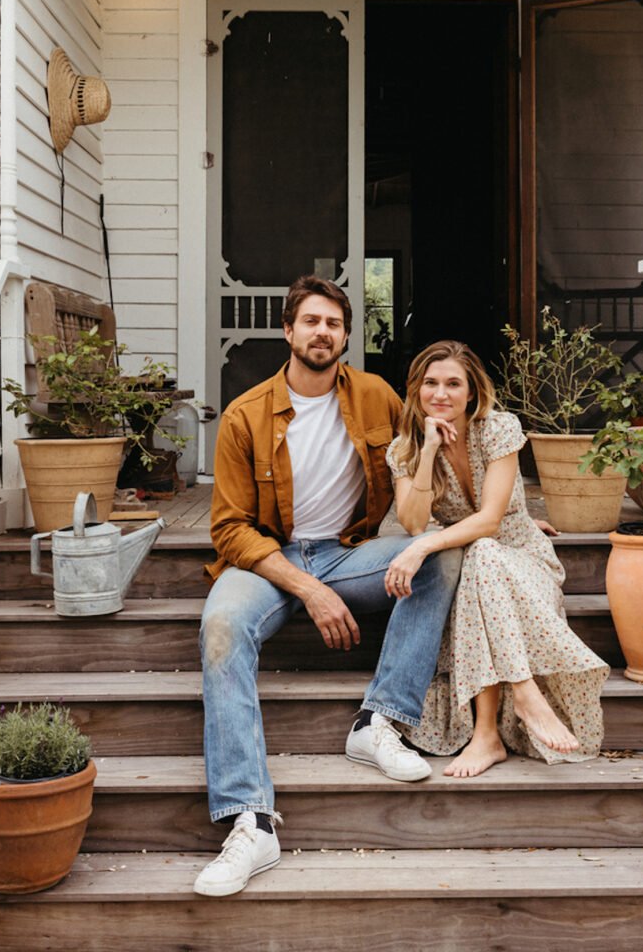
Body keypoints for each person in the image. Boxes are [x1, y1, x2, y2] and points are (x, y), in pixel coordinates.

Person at [193, 277, 461, 898]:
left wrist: (501, 513)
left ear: (346, 335)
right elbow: (229, 528)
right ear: (288, 332)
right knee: (221, 628)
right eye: (311, 321)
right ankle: (250, 820)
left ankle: (380, 721)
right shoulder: (245, 414)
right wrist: (306, 589)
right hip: (266, 563)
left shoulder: (377, 397)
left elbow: (441, 448)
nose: (323, 333)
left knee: (439, 558)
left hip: (347, 555)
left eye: (334, 324)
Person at [382, 339, 609, 778]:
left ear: (472, 392)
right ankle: (509, 706)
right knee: (478, 559)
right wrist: (428, 451)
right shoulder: (404, 450)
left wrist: (424, 546)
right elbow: (413, 520)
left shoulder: (498, 429)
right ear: (415, 390)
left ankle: (493, 727)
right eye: (430, 383)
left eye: (453, 384)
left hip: (523, 561)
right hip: (474, 571)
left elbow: (487, 521)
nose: (441, 394)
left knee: (483, 550)